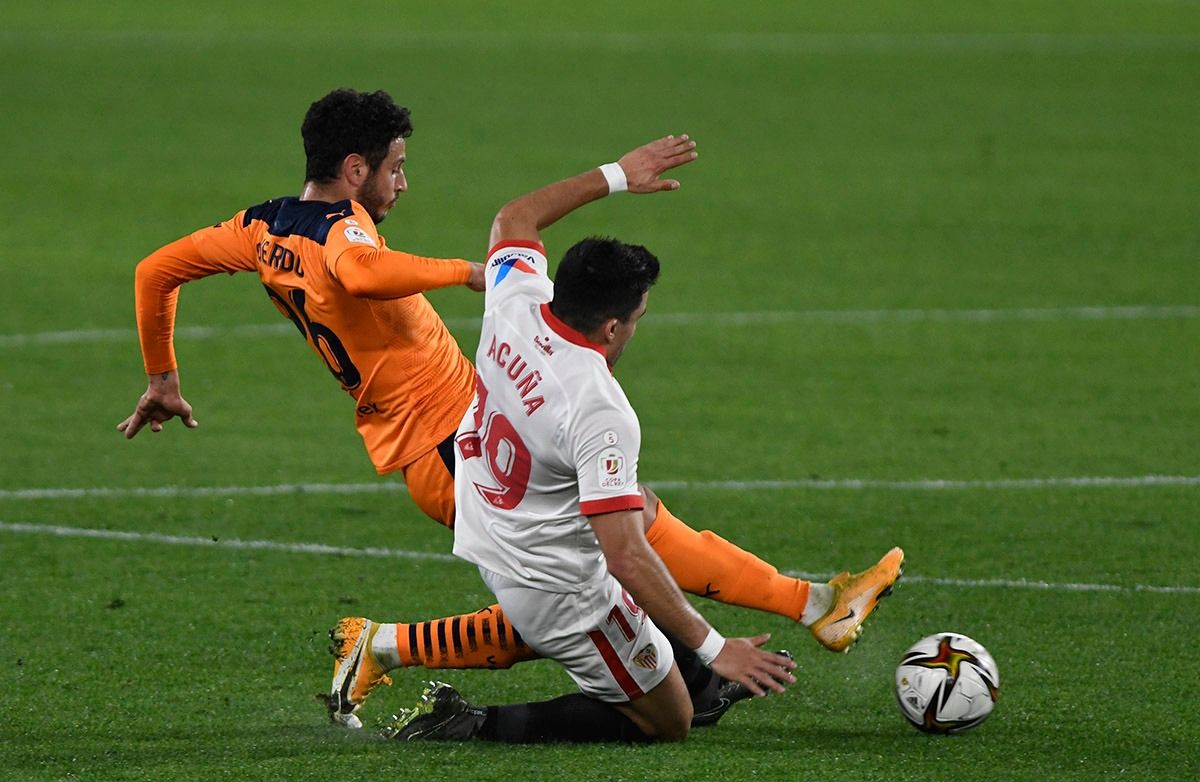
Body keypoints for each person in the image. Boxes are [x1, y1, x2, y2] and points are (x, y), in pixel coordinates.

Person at [115, 89, 903, 728]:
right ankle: (796, 613)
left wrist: (162, 375)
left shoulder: (260, 228)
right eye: (395, 168)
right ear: (354, 169)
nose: (403, 183)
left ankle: (809, 606)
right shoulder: (345, 239)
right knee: (592, 570)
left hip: (458, 420)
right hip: (443, 446)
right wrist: (464, 271)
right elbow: (356, 274)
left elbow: (156, 270)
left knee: (617, 539)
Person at [388, 137, 799, 743]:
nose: (635, 329)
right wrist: (717, 647)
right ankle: (471, 723)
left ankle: (667, 657)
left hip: (489, 520)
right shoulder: (599, 408)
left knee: (640, 503)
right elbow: (625, 558)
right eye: (636, 319)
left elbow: (515, 217)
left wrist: (616, 175)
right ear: (611, 326)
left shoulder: (517, 301)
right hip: (557, 587)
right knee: (671, 719)